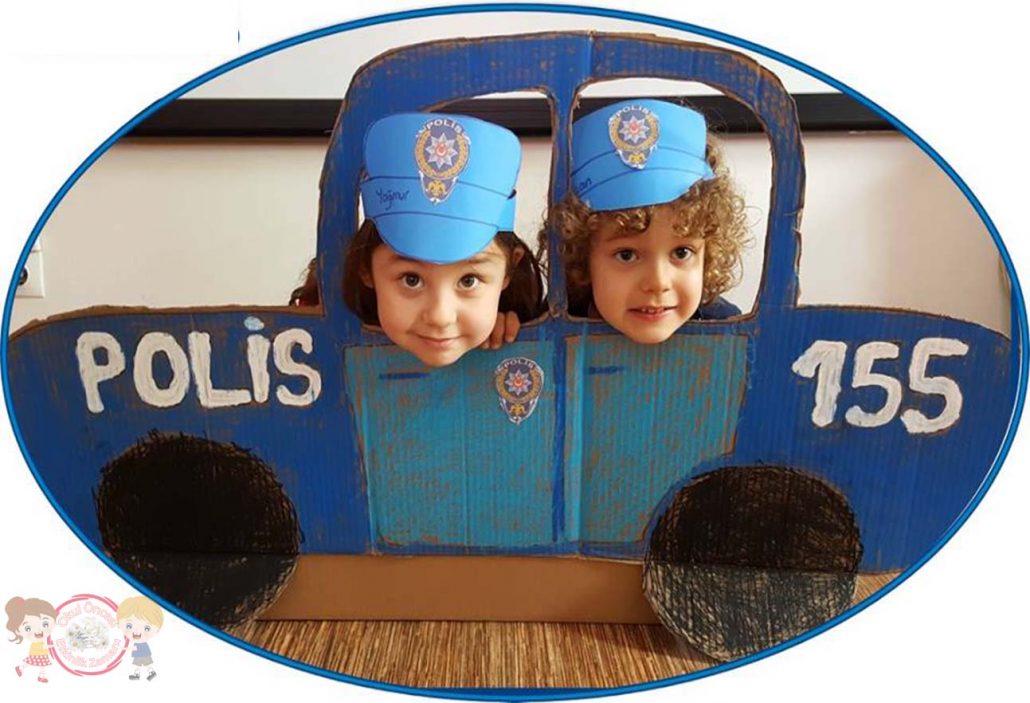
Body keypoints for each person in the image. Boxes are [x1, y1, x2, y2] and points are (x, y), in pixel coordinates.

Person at [291, 112, 546, 367]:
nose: (440, 317)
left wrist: (509, 329)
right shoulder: (313, 328)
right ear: (366, 268)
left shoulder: (526, 327)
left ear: (508, 271)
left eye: (468, 280)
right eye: (411, 279)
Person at [549, 99, 749, 344]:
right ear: (582, 261)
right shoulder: (552, 324)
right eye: (626, 255)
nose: (658, 283)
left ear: (707, 256)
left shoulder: (728, 330)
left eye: (682, 252)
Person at [5, 596, 56, 683]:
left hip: (42, 654)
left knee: (41, 665)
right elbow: (44, 646)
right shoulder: (38, 642)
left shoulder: (40, 641)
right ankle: (22, 668)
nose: (39, 630)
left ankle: (38, 675)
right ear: (18, 631)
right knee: (33, 663)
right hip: (37, 654)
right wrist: (52, 645)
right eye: (28, 628)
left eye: (45, 624)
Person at [117, 596, 162, 681]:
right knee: (143, 665)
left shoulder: (141, 643)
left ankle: (144, 674)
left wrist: (124, 648)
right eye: (129, 626)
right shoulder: (140, 642)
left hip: (142, 654)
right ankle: (144, 674)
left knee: (141, 665)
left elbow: (134, 648)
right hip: (142, 654)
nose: (137, 631)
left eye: (146, 628)